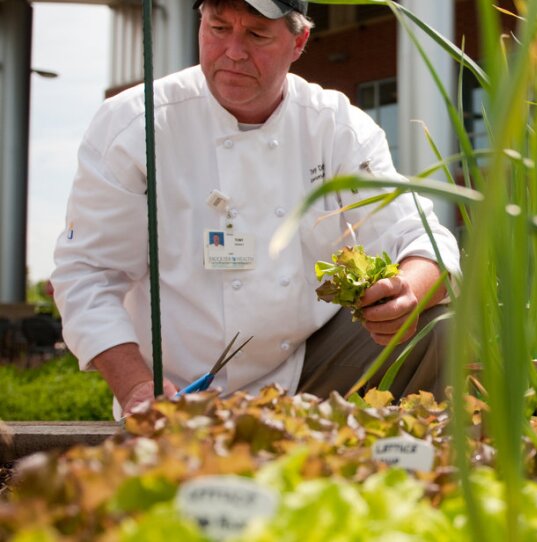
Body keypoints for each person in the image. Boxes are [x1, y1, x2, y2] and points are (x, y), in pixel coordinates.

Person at [51, 0, 460, 418]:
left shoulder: (335, 125)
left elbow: (420, 238)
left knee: (440, 326)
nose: (233, 51)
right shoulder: (135, 124)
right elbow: (87, 273)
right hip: (177, 391)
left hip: (307, 370)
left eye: (256, 34)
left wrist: (407, 294)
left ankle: (393, 471)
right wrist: (138, 387)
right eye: (218, 28)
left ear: (298, 42)